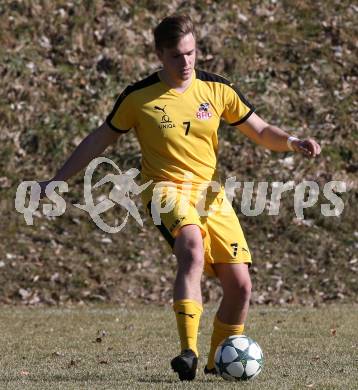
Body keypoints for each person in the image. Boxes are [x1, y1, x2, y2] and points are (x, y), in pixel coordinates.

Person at [39, 15, 321, 381]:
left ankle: (219, 361)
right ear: (159, 54)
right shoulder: (138, 97)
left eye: (190, 53)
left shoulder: (217, 89)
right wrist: (58, 179)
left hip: (210, 194)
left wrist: (292, 142)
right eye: (175, 56)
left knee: (241, 286)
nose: (185, 62)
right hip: (164, 189)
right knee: (191, 246)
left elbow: (262, 130)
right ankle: (188, 352)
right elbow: (98, 139)